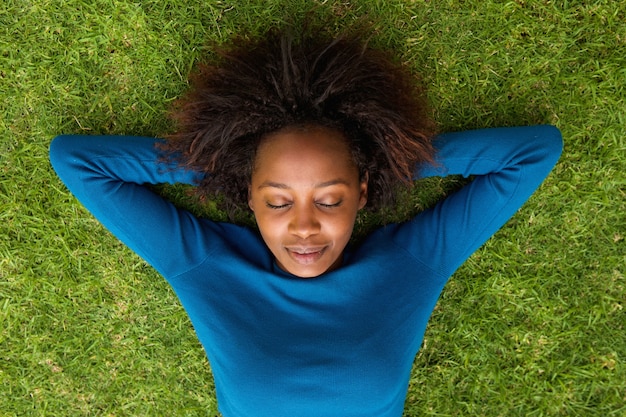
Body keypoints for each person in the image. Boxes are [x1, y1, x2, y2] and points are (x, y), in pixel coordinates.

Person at [49, 23, 562, 417]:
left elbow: (534, 150)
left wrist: (384, 157)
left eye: (331, 199)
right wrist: (229, 162)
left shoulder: (412, 263)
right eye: (276, 200)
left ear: (362, 195)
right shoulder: (205, 265)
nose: (304, 227)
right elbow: (77, 160)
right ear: (247, 197)